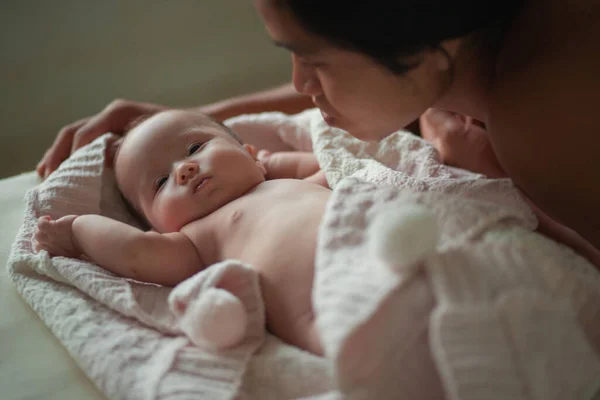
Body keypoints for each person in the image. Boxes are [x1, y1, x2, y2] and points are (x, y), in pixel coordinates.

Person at [37, 0, 600, 252]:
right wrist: (181, 128)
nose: (300, 83)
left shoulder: (540, 117)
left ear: (422, 50)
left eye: (313, 59)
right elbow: (377, 87)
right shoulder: (459, 51)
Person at [34, 109, 329, 355]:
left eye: (194, 148)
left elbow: (333, 165)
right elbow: (134, 252)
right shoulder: (197, 240)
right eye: (161, 182)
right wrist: (77, 230)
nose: (184, 169)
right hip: (328, 302)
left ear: (250, 154)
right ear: (158, 227)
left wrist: (270, 163)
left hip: (363, 223)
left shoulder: (297, 183)